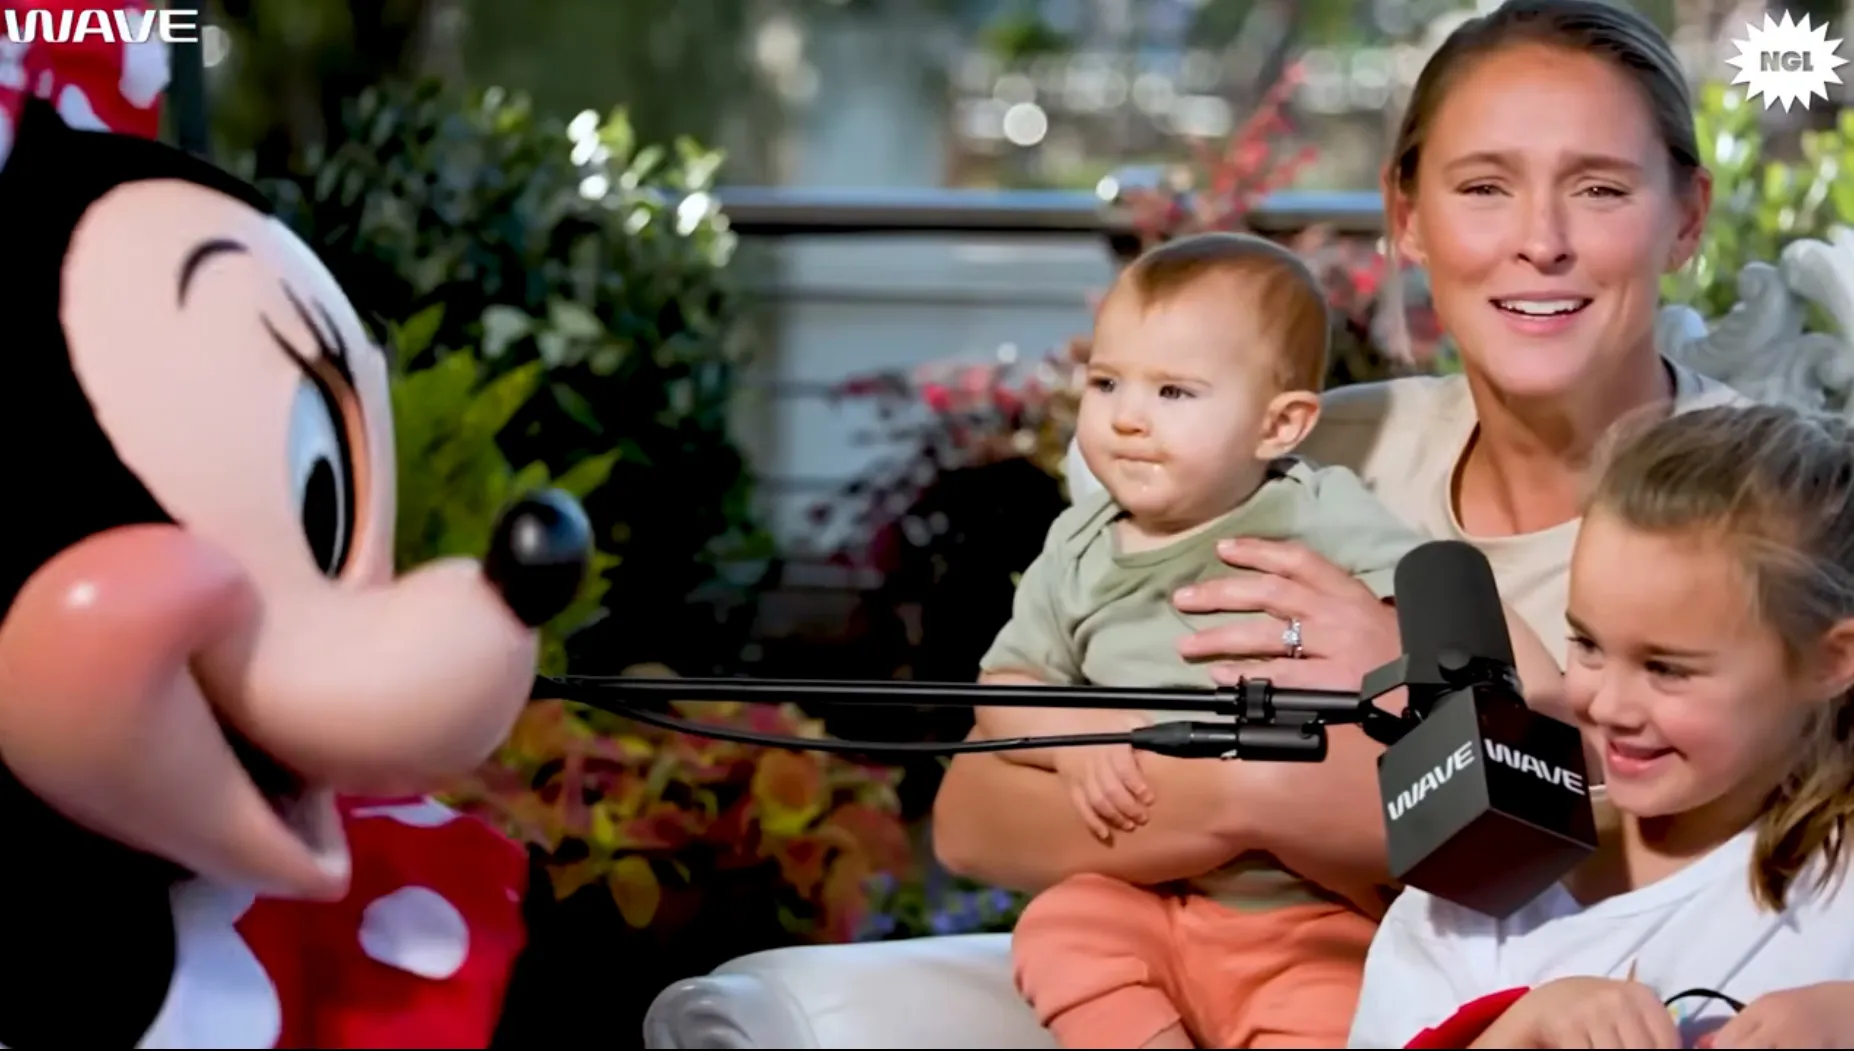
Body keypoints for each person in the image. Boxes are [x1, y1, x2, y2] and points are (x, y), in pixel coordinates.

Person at [933, 0, 1745, 968]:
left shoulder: (1770, 508)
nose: (1542, 240)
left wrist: (1386, 693)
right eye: (1484, 186)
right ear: (1407, 218)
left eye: (1601, 189)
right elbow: (975, 814)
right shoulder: (1311, 455)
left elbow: (1688, 874)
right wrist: (1246, 796)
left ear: (1687, 217)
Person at [984, 232, 1558, 1049]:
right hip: (1144, 890)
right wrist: (1072, 743)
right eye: (1107, 382)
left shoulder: (1313, 509)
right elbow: (1004, 697)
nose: (1128, 417)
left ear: (1277, 423)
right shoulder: (1076, 548)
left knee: (1334, 997)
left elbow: (1475, 659)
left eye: (1175, 391)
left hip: (1309, 908)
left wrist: (1384, 639)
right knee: (1064, 925)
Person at [1349, 404, 1854, 1049]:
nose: (1608, 704)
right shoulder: (1472, 897)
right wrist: (1517, 1032)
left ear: (1830, 659)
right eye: (1586, 644)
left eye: (1666, 668)